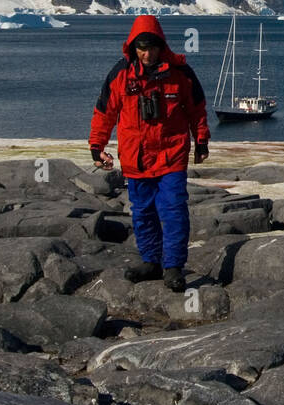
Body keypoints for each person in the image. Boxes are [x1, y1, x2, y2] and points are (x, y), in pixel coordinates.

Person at [89, 16, 210, 292]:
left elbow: (197, 109)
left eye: (152, 47)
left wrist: (201, 141)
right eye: (141, 48)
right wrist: (97, 146)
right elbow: (104, 113)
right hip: (136, 157)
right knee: (142, 213)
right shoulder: (120, 75)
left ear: (161, 45)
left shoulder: (180, 73)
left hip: (171, 154)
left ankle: (173, 267)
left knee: (173, 210)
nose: (147, 54)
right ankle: (151, 261)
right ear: (133, 47)